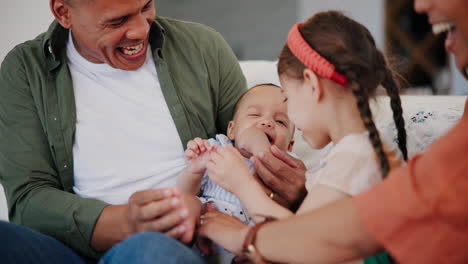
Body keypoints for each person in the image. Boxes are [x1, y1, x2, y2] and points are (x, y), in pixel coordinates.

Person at [0, 0, 306, 263]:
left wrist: (291, 191)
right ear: (63, 11)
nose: (141, 30)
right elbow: (29, 200)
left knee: (151, 251)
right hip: (66, 250)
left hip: (174, 246)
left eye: (146, 6)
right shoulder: (26, 70)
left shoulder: (203, 48)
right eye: (117, 20)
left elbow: (246, 143)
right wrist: (125, 222)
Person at [198, 1, 468, 263]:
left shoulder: (354, 159)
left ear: (312, 85)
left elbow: (303, 245)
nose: (289, 115)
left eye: (288, 99)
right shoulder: (359, 152)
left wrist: (243, 187)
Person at [177, 83, 295, 263]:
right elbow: (184, 191)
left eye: (280, 122)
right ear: (231, 130)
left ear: (290, 146)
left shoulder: (289, 167)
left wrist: (262, 150)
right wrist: (195, 171)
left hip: (254, 243)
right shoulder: (218, 148)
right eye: (255, 114)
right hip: (206, 228)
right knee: (186, 203)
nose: (267, 122)